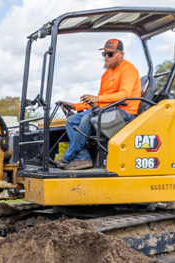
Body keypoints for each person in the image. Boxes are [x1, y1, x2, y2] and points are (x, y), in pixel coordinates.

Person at [57, 39, 142, 170]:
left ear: (121, 54)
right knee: (71, 121)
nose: (106, 57)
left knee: (88, 118)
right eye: (104, 54)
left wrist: (97, 98)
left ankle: (67, 158)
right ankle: (83, 158)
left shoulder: (128, 70)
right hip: (108, 110)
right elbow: (98, 102)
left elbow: (125, 95)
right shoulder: (106, 75)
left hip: (125, 112)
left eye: (110, 54)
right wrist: (75, 106)